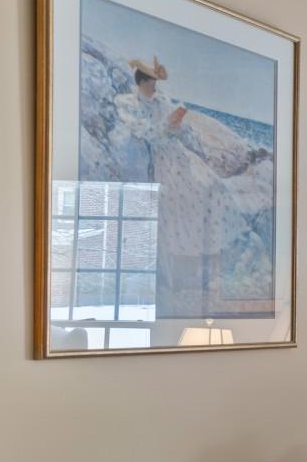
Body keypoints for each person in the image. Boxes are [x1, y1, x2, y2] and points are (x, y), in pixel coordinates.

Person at [111, 56, 274, 316]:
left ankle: (209, 264)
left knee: (208, 187)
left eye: (155, 83)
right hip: (160, 158)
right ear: (143, 82)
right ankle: (179, 273)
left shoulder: (161, 102)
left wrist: (174, 124)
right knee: (176, 206)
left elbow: (175, 132)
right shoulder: (129, 103)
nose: (154, 88)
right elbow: (147, 133)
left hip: (176, 155)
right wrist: (166, 126)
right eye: (151, 83)